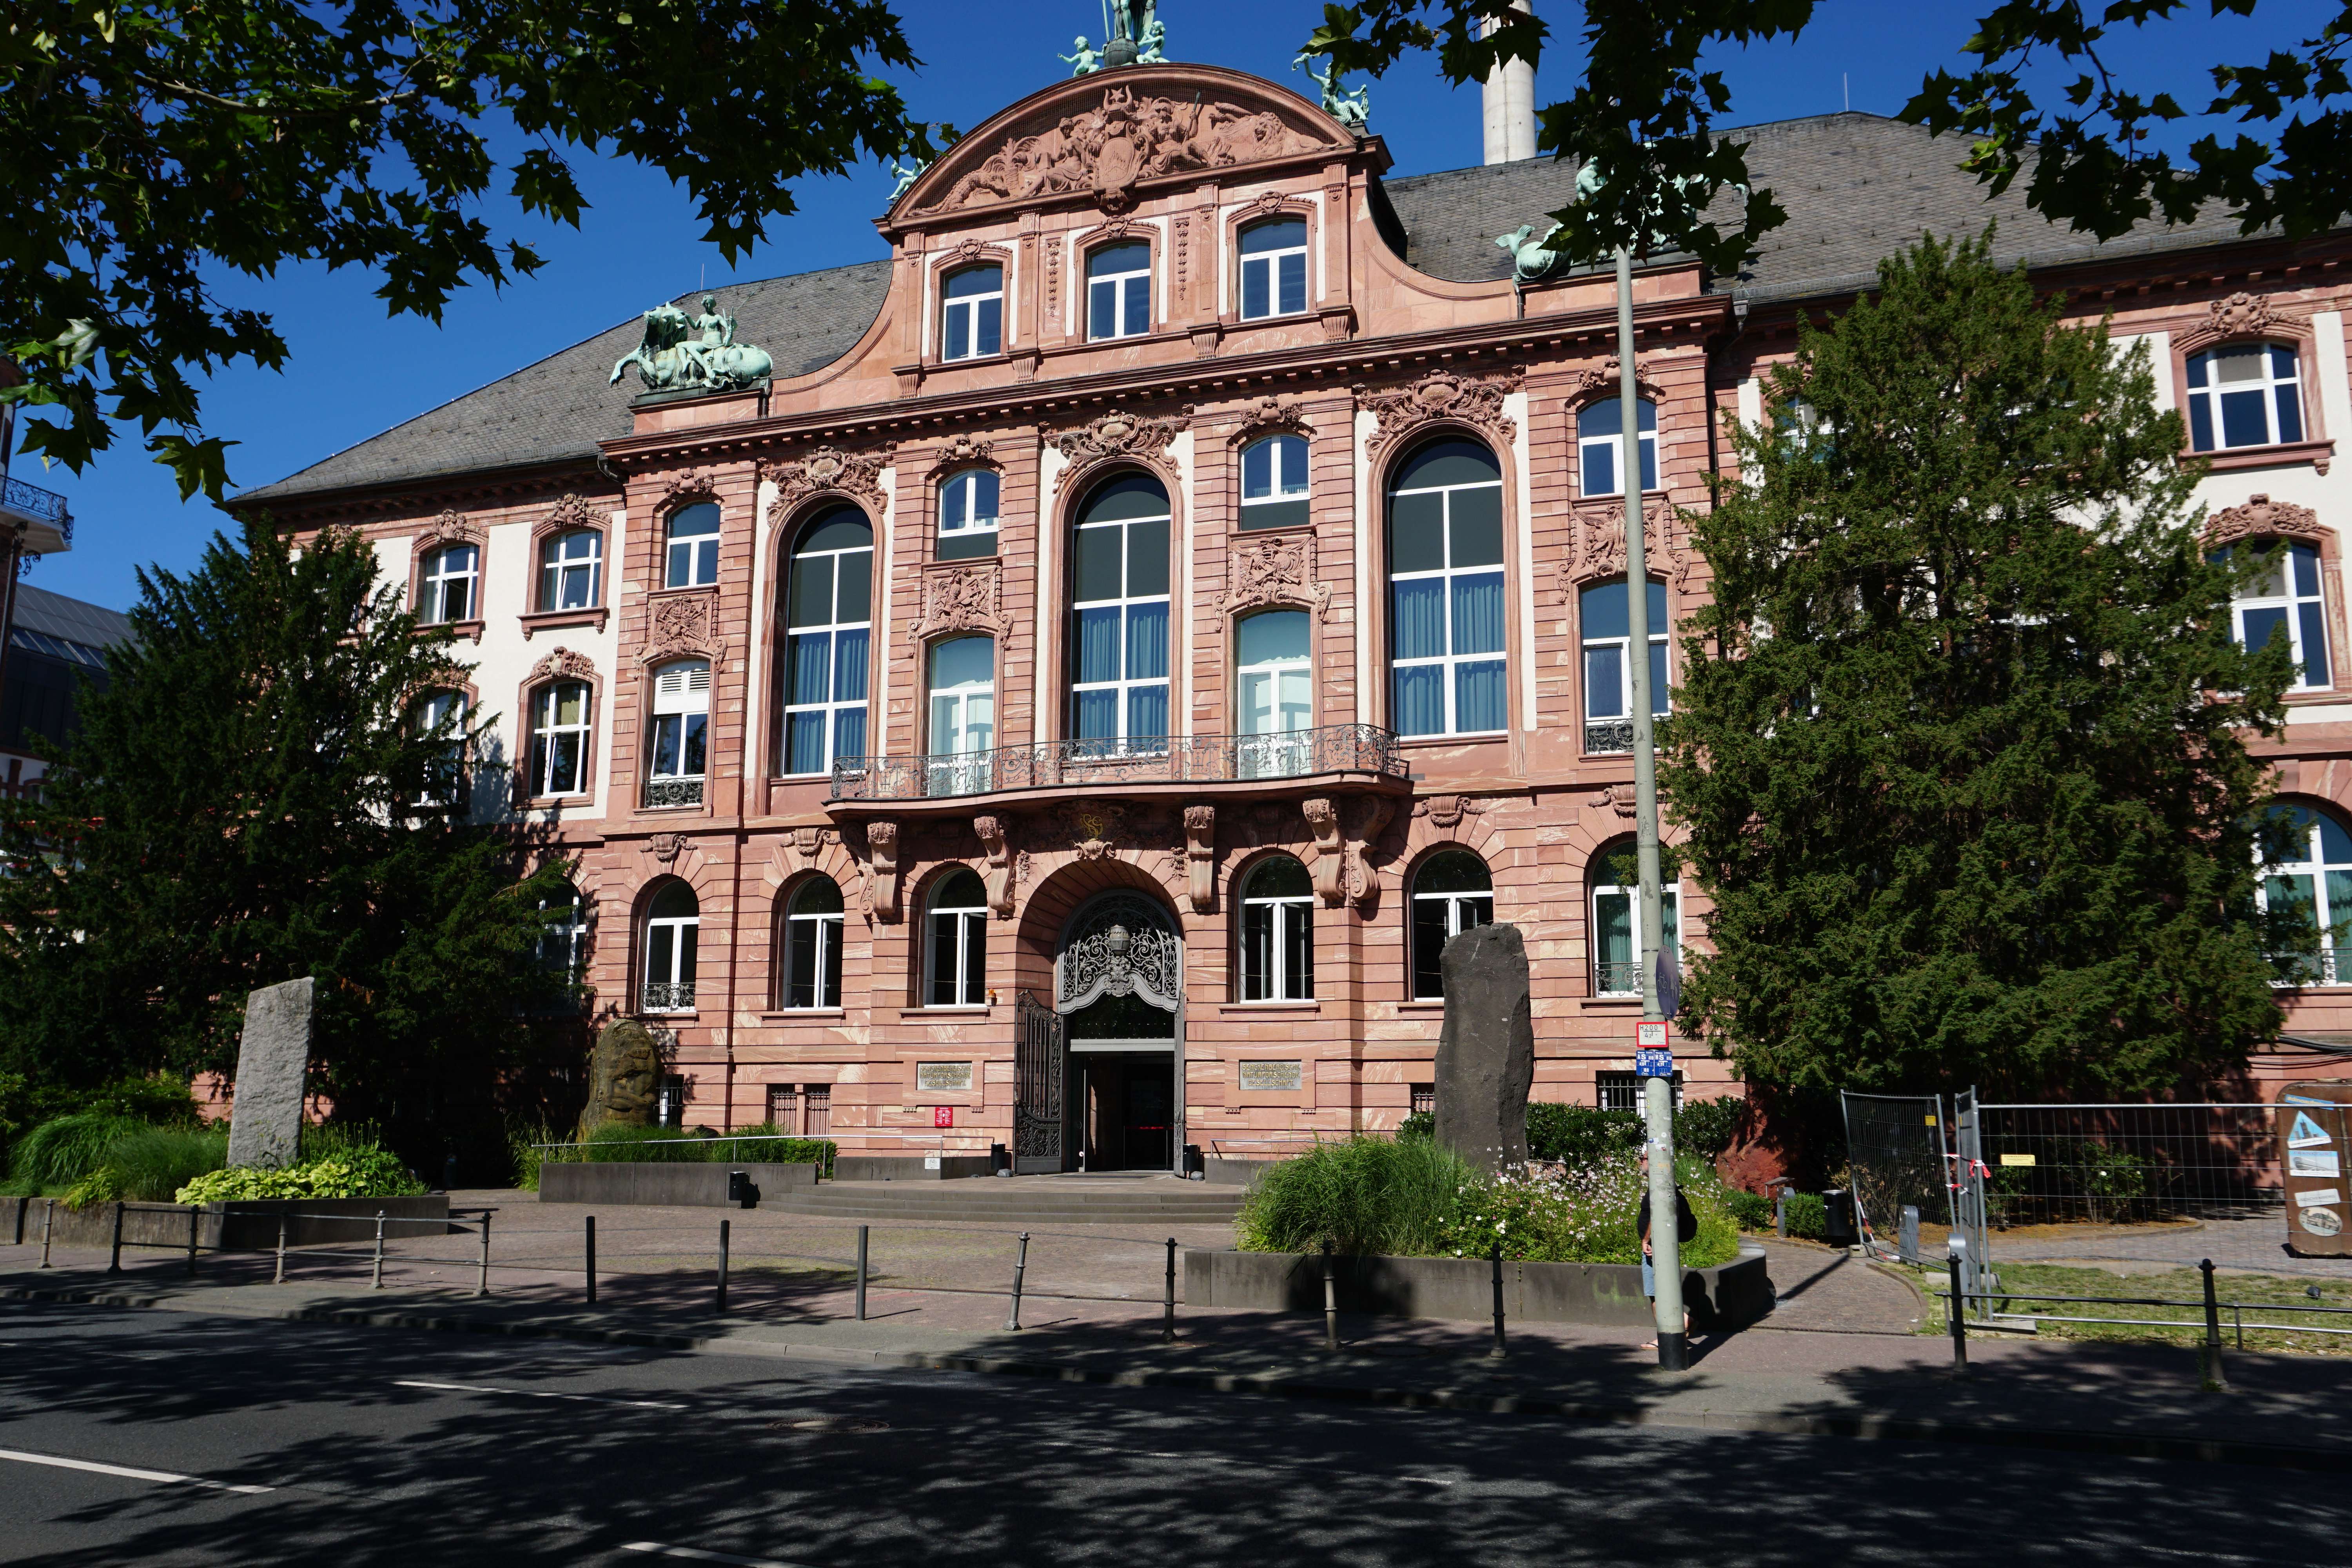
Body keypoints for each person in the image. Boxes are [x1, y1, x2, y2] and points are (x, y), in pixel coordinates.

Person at [1637, 1145, 1697, 1350]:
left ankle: (1667, 1336)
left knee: (1657, 1294)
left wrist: (1646, 1240)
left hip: (1655, 1249)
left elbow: (1657, 1215)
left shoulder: (1659, 1186)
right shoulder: (1663, 1185)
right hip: (1659, 1247)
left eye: (1643, 1159)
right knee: (1660, 1292)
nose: (1641, 1162)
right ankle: (1680, 1325)